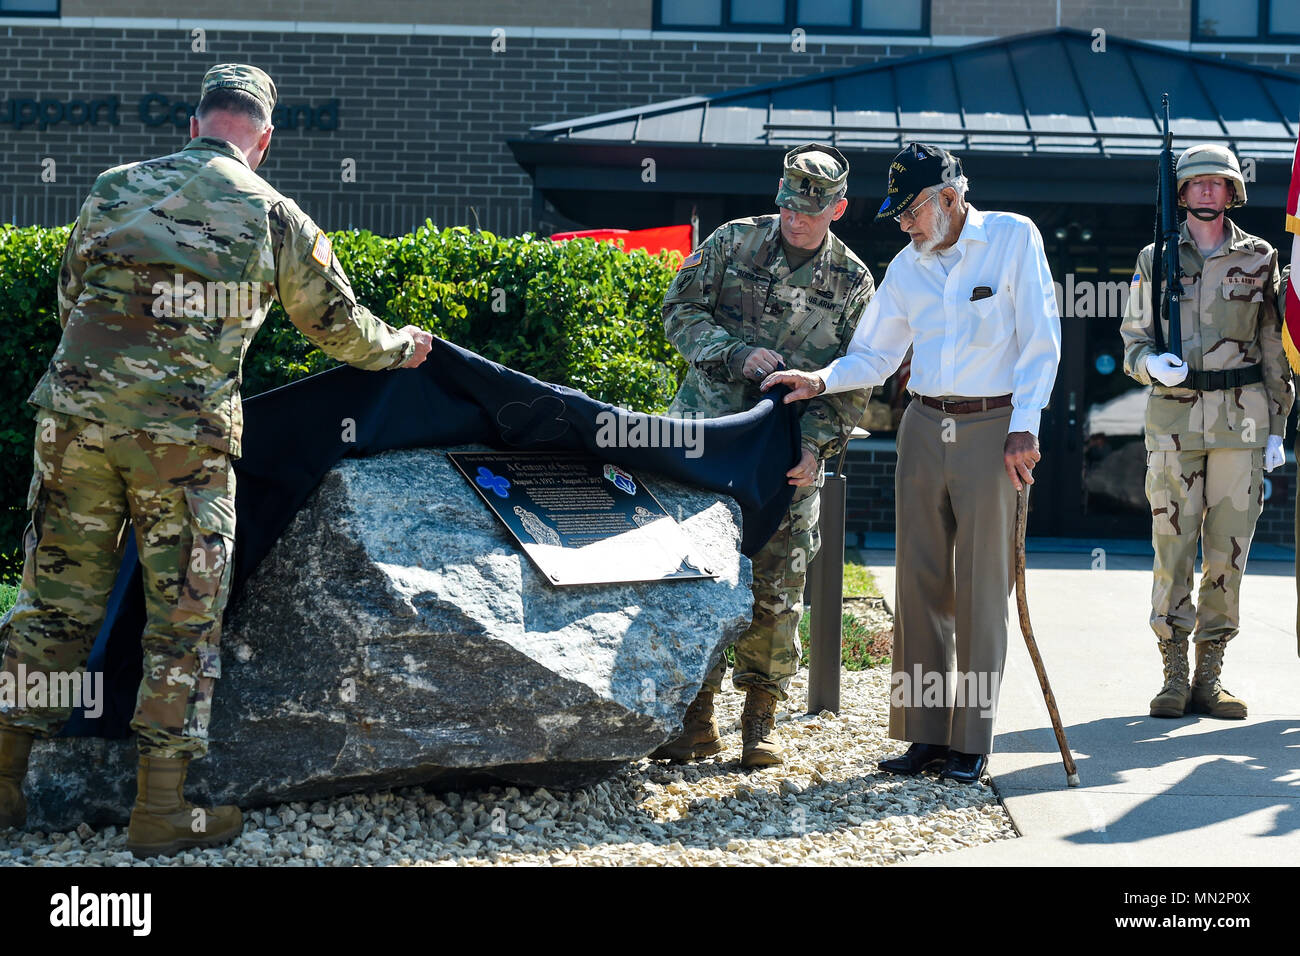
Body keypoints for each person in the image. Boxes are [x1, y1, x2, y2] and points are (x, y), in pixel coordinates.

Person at [0, 64, 433, 856]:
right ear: (262, 140)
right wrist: (406, 348)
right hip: (184, 444)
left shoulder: (111, 186)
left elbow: (71, 298)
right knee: (182, 618)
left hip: (75, 424)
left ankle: (3, 780)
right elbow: (340, 330)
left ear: (197, 122)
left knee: (53, 603)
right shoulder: (272, 213)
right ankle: (159, 809)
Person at [763, 143, 1061, 783]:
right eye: (898, 215)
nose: (905, 224)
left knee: (982, 589)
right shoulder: (907, 267)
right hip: (924, 425)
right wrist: (818, 380)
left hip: (993, 426)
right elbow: (872, 354)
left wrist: (1025, 426)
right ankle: (926, 735)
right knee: (919, 583)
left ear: (949, 197)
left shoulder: (1013, 238)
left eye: (912, 212)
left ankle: (970, 740)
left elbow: (1042, 342)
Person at [653, 143, 874, 769]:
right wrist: (734, 354)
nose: (795, 219)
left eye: (811, 210)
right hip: (707, 439)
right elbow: (678, 311)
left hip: (785, 455)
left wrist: (817, 447)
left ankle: (760, 722)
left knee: (777, 586)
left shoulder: (854, 281)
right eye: (787, 206)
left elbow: (859, 376)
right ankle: (694, 716)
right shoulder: (732, 243)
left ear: (839, 208)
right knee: (693, 575)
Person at [1119, 144, 1293, 720]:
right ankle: (1172, 673)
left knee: (1229, 551)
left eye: (1218, 183)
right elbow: (1133, 340)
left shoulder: (1261, 257)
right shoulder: (1156, 257)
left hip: (1242, 421)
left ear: (1233, 191)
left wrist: (1278, 424)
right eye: (1196, 184)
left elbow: (1273, 345)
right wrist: (1150, 366)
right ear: (1183, 194)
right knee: (1172, 546)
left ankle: (1210, 674)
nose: (1207, 193)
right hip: (1173, 419)